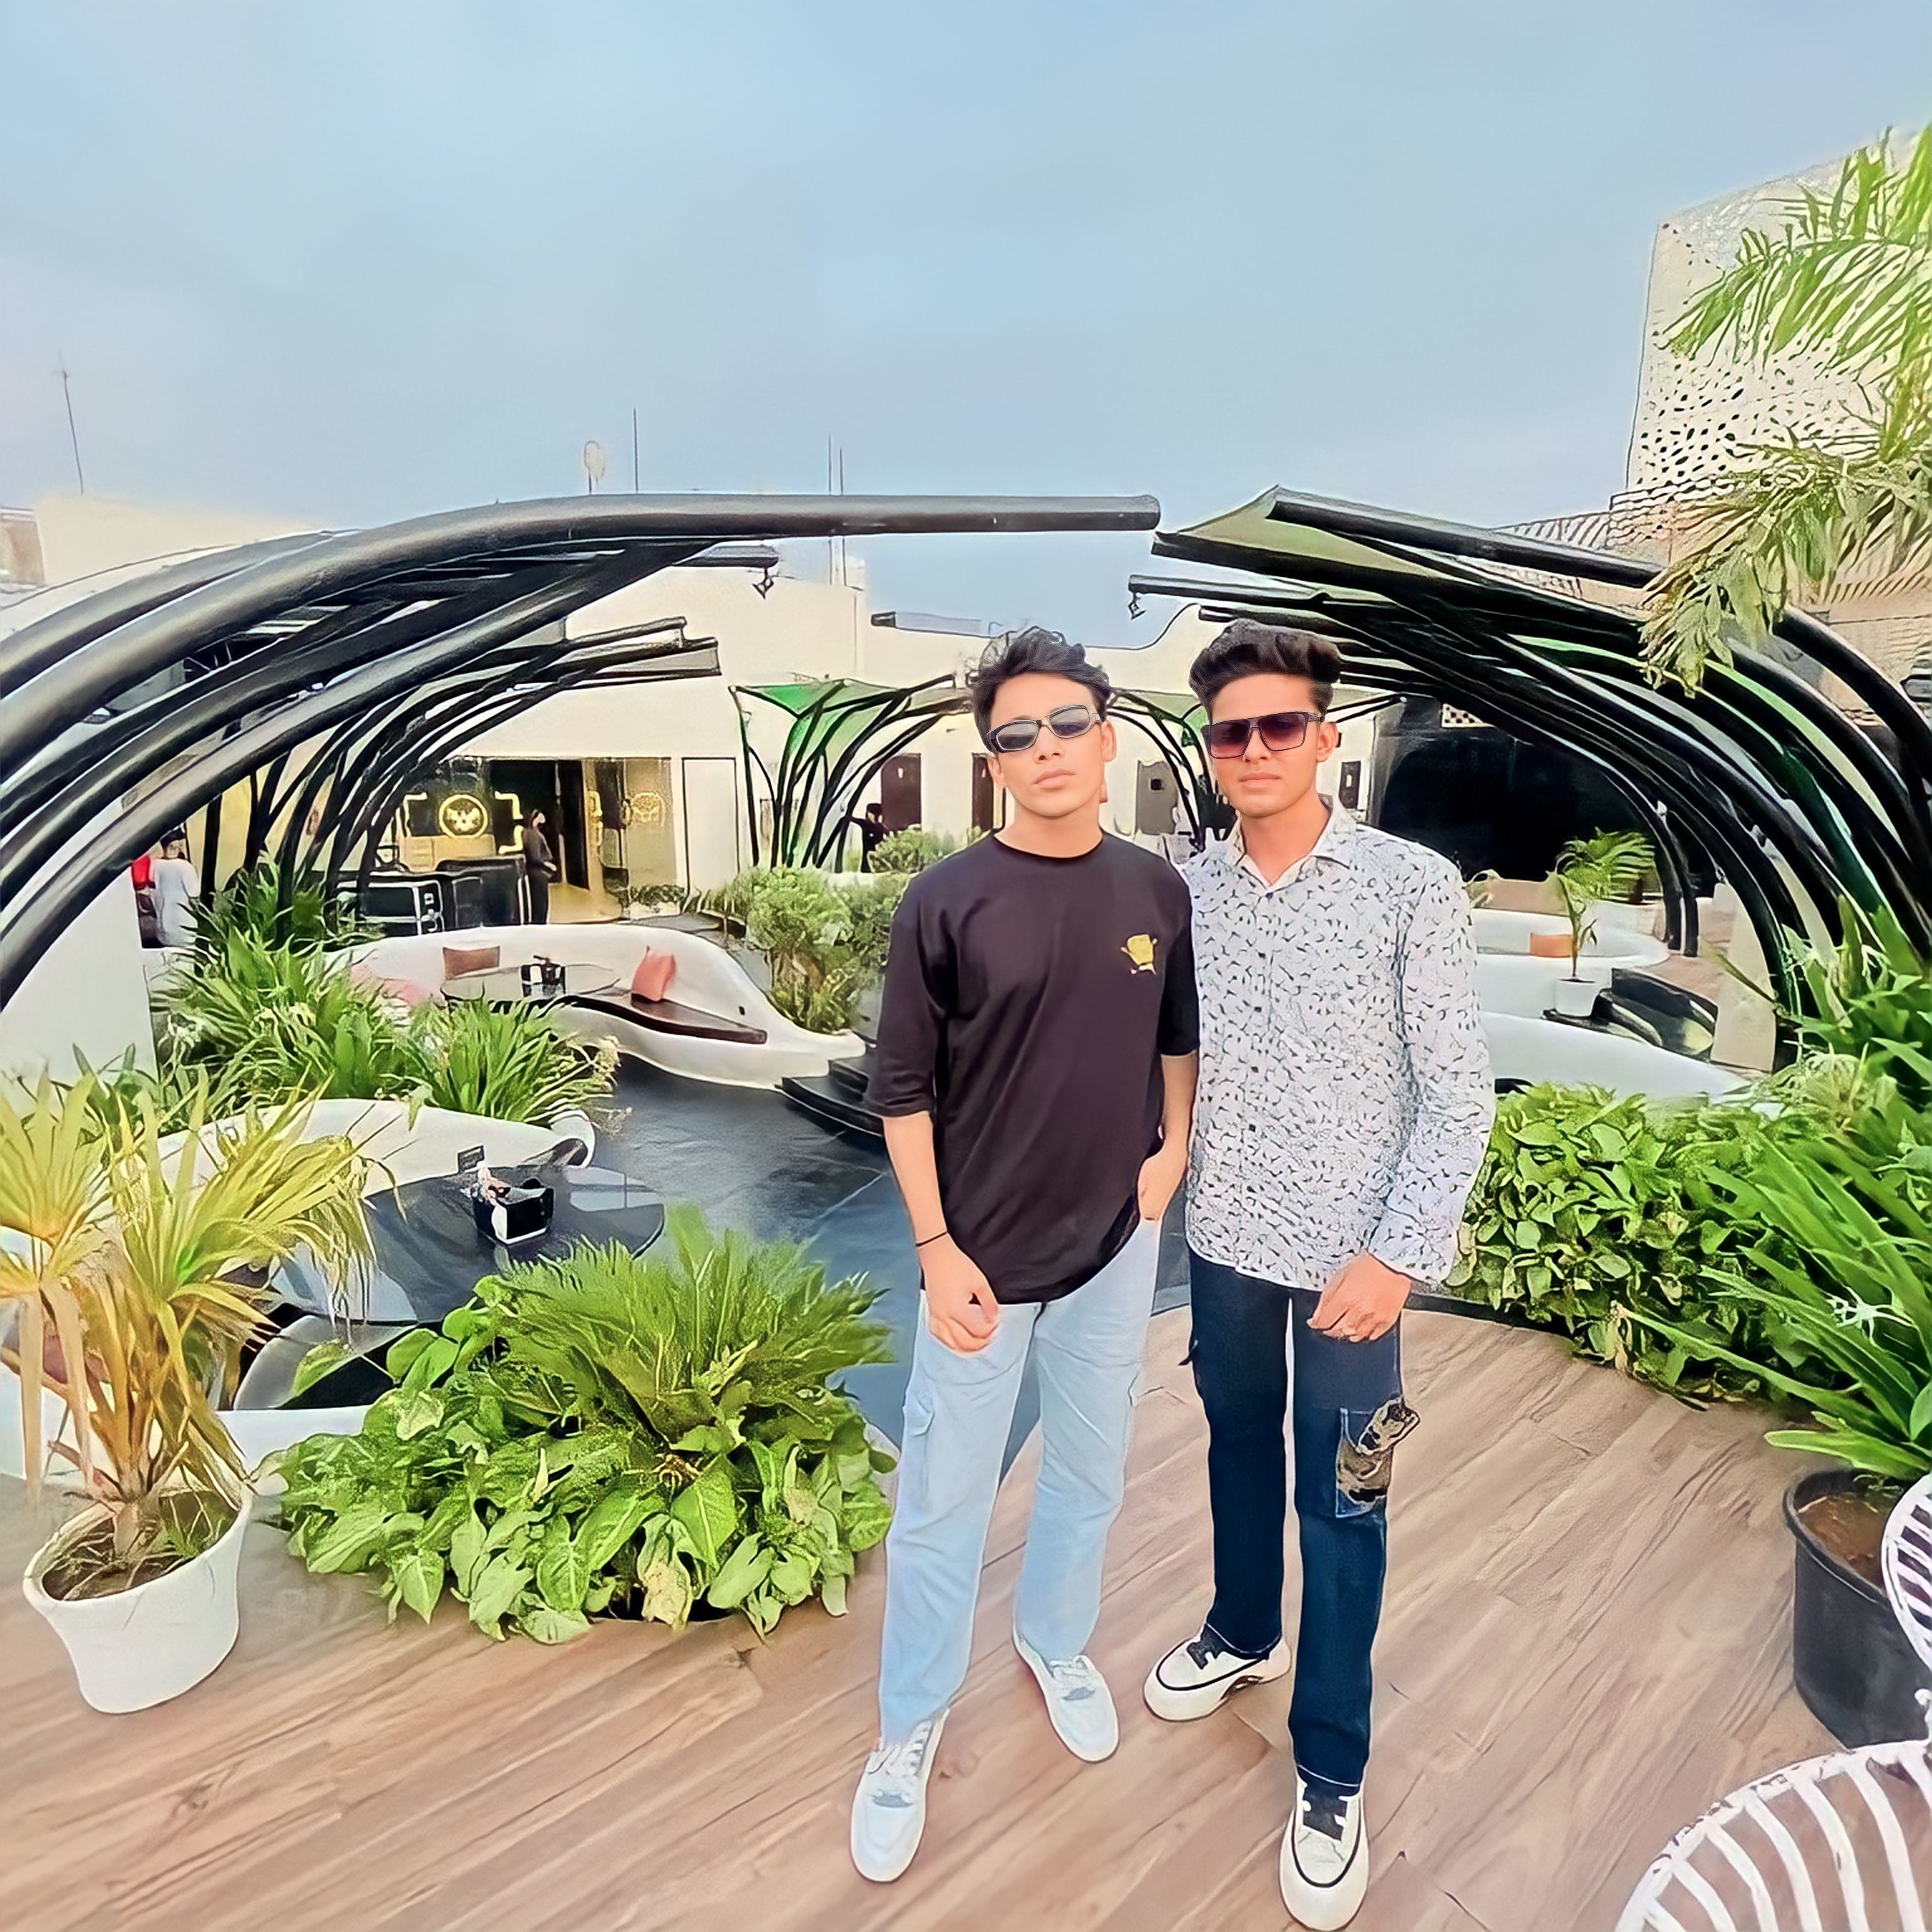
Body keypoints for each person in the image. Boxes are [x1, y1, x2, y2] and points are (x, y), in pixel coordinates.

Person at [1144, 620, 1492, 1929]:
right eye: (1230, 731)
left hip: (1358, 1269)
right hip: (1227, 1243)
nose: (1253, 749)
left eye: (1277, 725)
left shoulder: (1410, 887)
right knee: (1236, 1445)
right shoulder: (1187, 893)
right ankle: (1243, 1629)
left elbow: (1458, 1095)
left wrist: (1399, 1255)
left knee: (1348, 1496)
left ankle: (1332, 1767)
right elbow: (1165, 1050)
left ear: (1324, 738)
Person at [850, 627, 1199, 1884]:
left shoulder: (1156, 892)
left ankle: (1055, 1641)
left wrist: (1171, 1151)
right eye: (1015, 734)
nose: (1044, 749)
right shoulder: (947, 902)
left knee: (1090, 1474)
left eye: (1066, 725)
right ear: (991, 760)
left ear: (1106, 739)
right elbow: (901, 1093)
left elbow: (1176, 1037)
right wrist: (935, 1245)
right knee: (942, 1502)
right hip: (980, 1262)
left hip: (1113, 1246)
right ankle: (908, 1725)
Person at [150, 828, 201, 950]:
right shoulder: (185, 867)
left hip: (163, 925)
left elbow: (153, 891)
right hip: (185, 924)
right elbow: (194, 893)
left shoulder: (155, 865)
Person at [521, 809, 559, 923]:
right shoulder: (532, 835)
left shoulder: (532, 833)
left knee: (540, 900)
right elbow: (535, 856)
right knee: (540, 901)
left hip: (537, 872)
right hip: (538, 872)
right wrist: (548, 865)